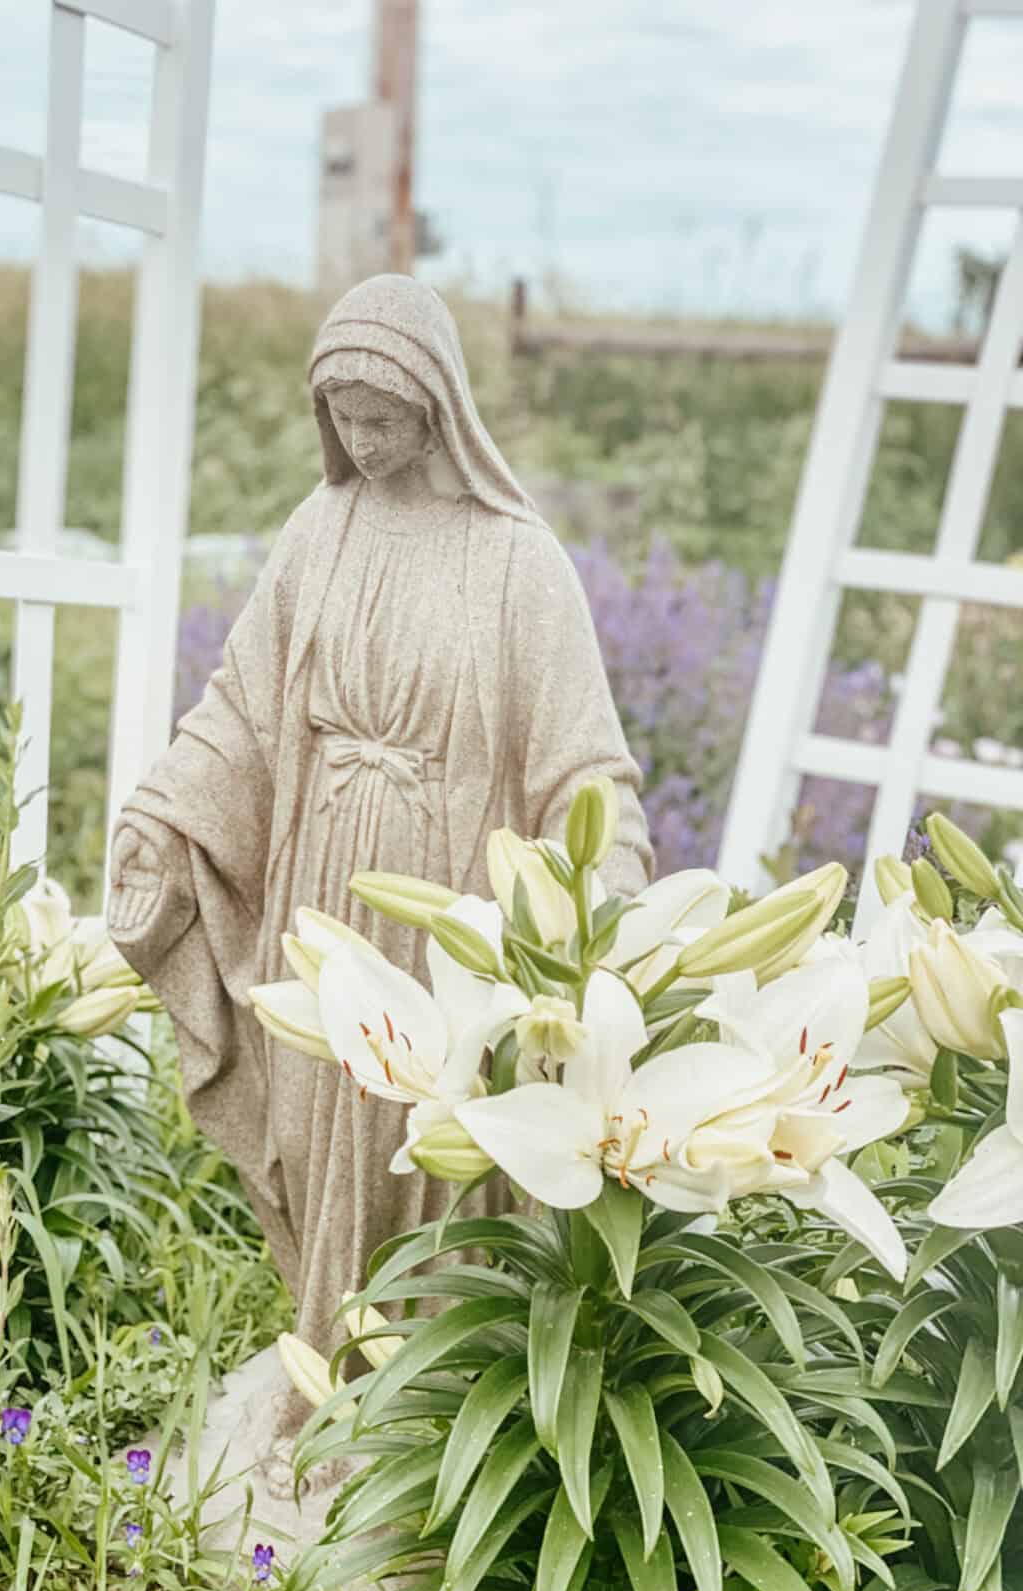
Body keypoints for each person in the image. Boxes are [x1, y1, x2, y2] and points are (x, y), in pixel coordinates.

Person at [107, 273, 653, 1434]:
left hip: (441, 907)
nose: (361, 434)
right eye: (342, 411)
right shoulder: (322, 528)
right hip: (319, 891)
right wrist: (166, 811)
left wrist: (601, 900)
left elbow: (582, 764)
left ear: (439, 404)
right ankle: (322, 1373)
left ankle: (416, 1406)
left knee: (426, 1150)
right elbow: (244, 709)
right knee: (316, 1138)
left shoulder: (517, 562)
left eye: (383, 412)